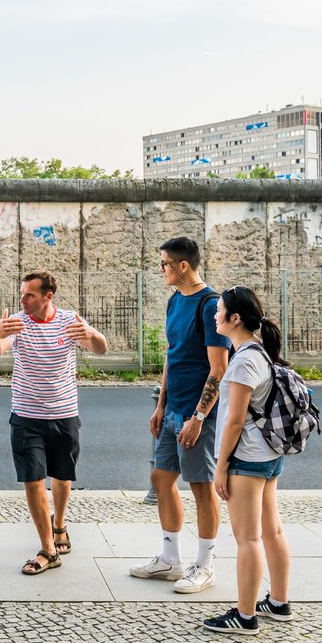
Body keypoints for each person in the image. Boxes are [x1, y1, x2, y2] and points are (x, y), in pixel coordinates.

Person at [0, 270, 108, 575]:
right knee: (32, 480)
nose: (22, 299)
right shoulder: (17, 322)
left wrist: (91, 334)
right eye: (21, 293)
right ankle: (47, 549)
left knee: (62, 478)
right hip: (26, 416)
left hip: (64, 414)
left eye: (29, 295)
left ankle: (60, 522)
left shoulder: (68, 320)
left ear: (47, 297)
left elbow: (101, 348)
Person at [131, 237, 229, 594]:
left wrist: (199, 416)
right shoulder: (175, 301)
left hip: (199, 414)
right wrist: (161, 406)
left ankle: (205, 566)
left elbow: (218, 369)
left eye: (164, 264)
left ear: (182, 266)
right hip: (173, 410)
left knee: (202, 488)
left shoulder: (210, 304)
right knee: (161, 478)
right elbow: (172, 356)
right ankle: (170, 560)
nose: (161, 270)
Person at [203, 285, 293, 635]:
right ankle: (279, 602)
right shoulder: (260, 352)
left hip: (247, 458)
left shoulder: (243, 361)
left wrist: (222, 465)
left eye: (220, 309)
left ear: (235, 318)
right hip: (269, 454)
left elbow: (235, 420)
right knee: (272, 530)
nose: (215, 315)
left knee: (248, 539)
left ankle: (244, 616)